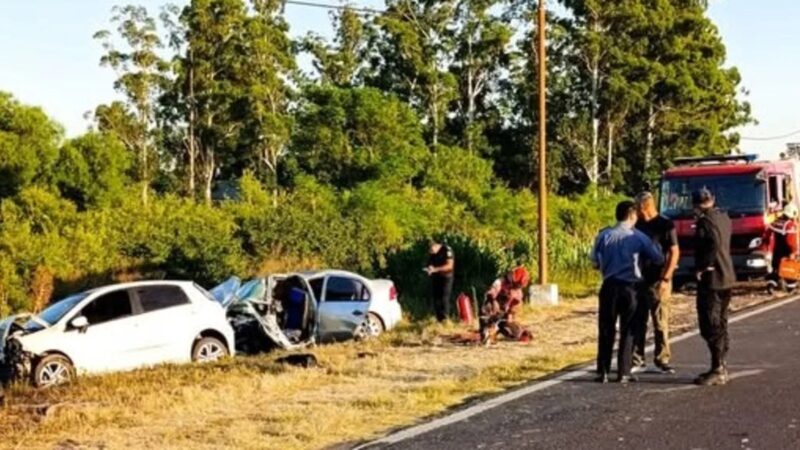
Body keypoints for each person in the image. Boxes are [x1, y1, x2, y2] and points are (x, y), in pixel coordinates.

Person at [591, 201, 664, 384]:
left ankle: (603, 371)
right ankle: (623, 371)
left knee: (606, 328)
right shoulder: (639, 237)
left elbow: (594, 262)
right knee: (629, 329)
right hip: (632, 287)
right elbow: (658, 258)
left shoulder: (603, 235)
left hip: (609, 285)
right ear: (632, 215)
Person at [632, 192, 680, 374]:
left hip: (658, 279)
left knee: (660, 321)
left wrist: (666, 278)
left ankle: (662, 358)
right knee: (638, 321)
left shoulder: (665, 225)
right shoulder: (636, 225)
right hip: (638, 279)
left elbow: (674, 252)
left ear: (645, 206)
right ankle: (637, 358)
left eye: (637, 206)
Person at [692, 188, 735, 386]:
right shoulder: (724, 217)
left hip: (713, 278)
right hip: (726, 275)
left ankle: (718, 367)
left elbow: (713, 243)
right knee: (721, 321)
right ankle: (720, 365)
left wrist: (704, 266)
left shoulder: (705, 222)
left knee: (710, 323)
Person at [479, 266, 532, 345]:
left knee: (517, 333)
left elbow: (514, 308)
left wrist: (510, 316)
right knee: (490, 305)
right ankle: (486, 331)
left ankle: (501, 330)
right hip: (492, 313)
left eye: (518, 286)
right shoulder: (499, 282)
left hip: (504, 316)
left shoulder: (518, 294)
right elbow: (490, 295)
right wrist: (494, 312)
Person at [764, 203, 799, 292]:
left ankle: (771, 284)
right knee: (790, 271)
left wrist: (767, 247)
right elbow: (791, 241)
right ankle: (790, 287)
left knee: (776, 269)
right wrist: (794, 252)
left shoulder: (776, 221)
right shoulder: (789, 225)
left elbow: (767, 234)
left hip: (776, 251)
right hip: (786, 251)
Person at [426, 239, 455, 322]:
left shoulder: (447, 250)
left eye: (432, 249)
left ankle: (445, 319)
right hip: (436, 277)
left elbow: (449, 266)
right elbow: (430, 262)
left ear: (436, 246)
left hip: (446, 277)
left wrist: (436, 269)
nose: (431, 252)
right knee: (436, 299)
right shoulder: (432, 253)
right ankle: (439, 319)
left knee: (444, 299)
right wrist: (430, 268)